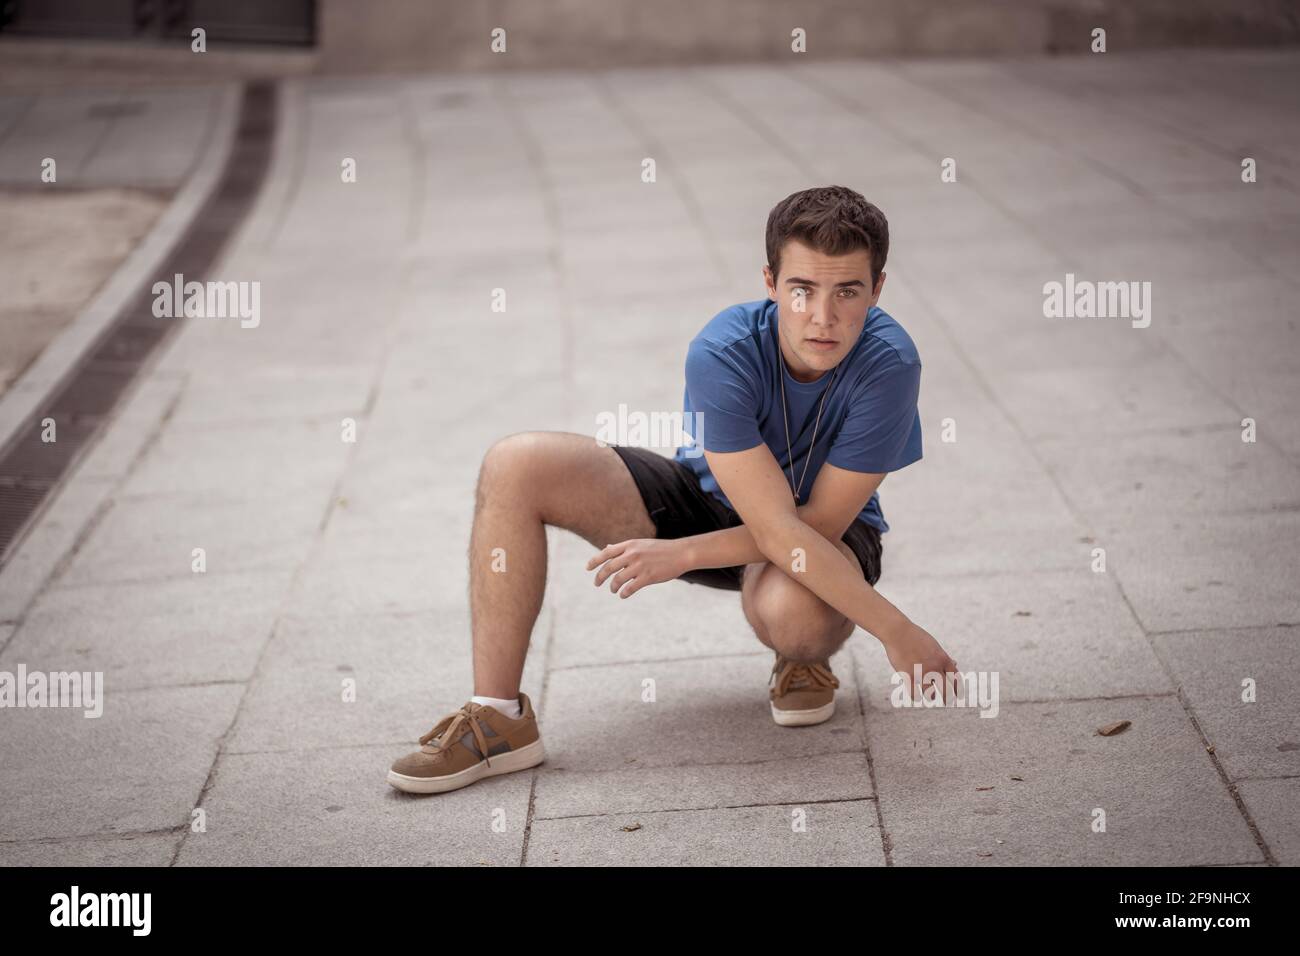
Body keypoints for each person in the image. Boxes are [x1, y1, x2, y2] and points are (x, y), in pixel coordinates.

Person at [387, 185, 958, 795]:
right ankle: (499, 717)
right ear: (770, 282)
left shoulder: (890, 363)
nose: (823, 317)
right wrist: (898, 630)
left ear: (877, 289)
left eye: (847, 291)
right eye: (802, 290)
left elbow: (808, 527)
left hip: (826, 530)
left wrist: (684, 557)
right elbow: (767, 522)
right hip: (711, 502)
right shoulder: (725, 349)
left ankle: (802, 657)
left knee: (795, 612)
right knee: (517, 463)